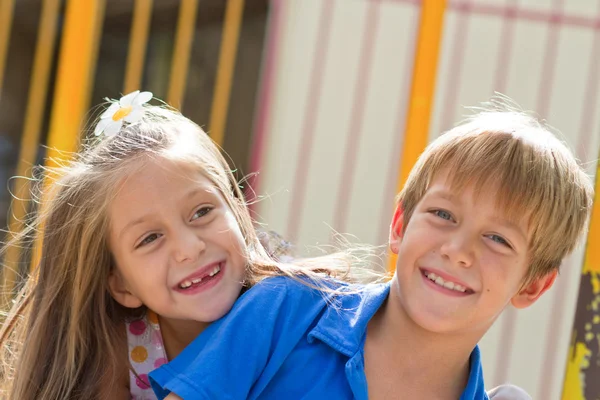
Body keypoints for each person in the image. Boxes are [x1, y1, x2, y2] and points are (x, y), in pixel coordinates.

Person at [149, 101, 594, 399]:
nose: (458, 250)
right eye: (443, 215)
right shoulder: (284, 310)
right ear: (400, 224)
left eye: (498, 239)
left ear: (533, 284)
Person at [0, 91, 352, 399]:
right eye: (150, 238)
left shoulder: (292, 302)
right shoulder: (122, 350)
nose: (189, 247)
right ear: (121, 284)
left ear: (236, 209)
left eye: (201, 212)